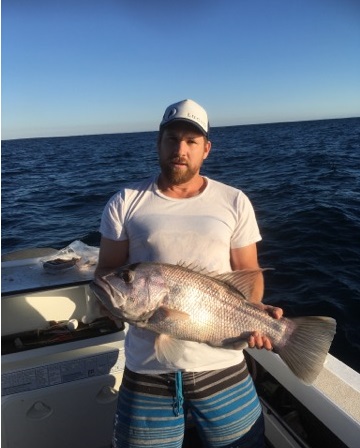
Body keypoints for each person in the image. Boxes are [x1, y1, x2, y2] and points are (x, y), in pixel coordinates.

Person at [96, 99, 283, 448]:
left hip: (223, 365)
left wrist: (253, 317)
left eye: (191, 141)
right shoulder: (125, 201)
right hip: (148, 370)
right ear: (158, 143)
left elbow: (249, 274)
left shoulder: (234, 201)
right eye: (171, 139)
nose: (179, 150)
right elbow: (107, 270)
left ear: (206, 149)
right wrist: (113, 304)